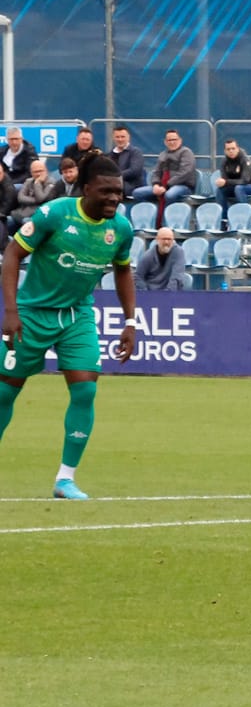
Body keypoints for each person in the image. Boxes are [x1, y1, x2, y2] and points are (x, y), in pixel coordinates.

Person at [0, 155, 137, 500]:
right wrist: (12, 310)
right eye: (106, 191)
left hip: (77, 315)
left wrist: (131, 321)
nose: (113, 198)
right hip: (32, 313)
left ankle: (65, 480)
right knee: (4, 392)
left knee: (85, 391)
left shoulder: (120, 229)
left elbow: (123, 270)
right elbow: (13, 255)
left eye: (118, 192)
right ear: (86, 188)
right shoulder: (55, 214)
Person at [152, 129, 200, 207]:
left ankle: (169, 216)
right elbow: (156, 172)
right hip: (162, 186)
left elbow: (185, 173)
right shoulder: (162, 154)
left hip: (183, 186)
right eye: (169, 140)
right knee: (139, 193)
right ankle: (153, 215)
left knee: (170, 195)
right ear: (165, 142)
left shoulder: (186, 152)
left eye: (174, 139)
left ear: (180, 140)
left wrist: (166, 186)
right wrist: (156, 185)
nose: (172, 142)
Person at [136, 226, 192, 291]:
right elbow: (138, 276)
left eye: (169, 239)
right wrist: (146, 292)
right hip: (151, 294)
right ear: (157, 240)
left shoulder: (178, 252)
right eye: (163, 239)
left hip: (171, 294)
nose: (166, 242)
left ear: (173, 240)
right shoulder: (148, 255)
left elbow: (177, 276)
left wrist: (167, 295)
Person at [215, 138, 251, 208]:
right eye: (228, 149)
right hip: (235, 187)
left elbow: (245, 180)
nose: (231, 151)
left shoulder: (245, 160)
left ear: (237, 149)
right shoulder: (224, 162)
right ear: (225, 151)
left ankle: (244, 213)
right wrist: (221, 182)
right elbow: (225, 179)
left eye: (233, 148)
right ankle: (224, 216)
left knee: (239, 188)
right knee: (220, 190)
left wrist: (226, 182)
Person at [108, 126, 150, 197]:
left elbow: (134, 171)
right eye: (117, 137)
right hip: (114, 184)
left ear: (128, 137)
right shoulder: (110, 155)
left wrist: (115, 177)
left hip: (132, 186)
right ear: (113, 138)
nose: (120, 139)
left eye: (122, 137)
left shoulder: (136, 152)